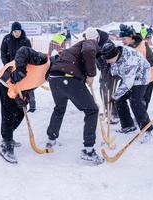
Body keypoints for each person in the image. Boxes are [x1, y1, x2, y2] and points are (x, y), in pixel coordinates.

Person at [45, 27, 104, 164]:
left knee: (59, 108)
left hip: (55, 78)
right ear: (96, 39)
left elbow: (76, 62)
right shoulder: (89, 43)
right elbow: (89, 52)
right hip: (68, 79)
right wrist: (91, 75)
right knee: (92, 110)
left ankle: (51, 140)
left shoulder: (74, 48)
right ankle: (88, 150)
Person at [0, 46, 50, 164]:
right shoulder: (42, 61)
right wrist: (20, 70)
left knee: (21, 111)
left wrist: (22, 98)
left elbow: (30, 84)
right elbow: (23, 50)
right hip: (7, 79)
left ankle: (7, 136)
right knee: (9, 113)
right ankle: (7, 145)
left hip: (19, 88)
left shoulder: (46, 76)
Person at [101, 43, 153, 143]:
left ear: (115, 55)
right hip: (128, 75)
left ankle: (147, 130)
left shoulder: (129, 61)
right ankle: (128, 125)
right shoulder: (115, 52)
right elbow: (115, 67)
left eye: (108, 59)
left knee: (135, 102)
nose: (107, 62)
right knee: (120, 99)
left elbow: (127, 84)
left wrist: (115, 96)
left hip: (141, 76)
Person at [0, 21, 35, 113]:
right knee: (13, 85)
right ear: (12, 31)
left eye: (19, 31)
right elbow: (3, 52)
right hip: (11, 65)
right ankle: (15, 104)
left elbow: (29, 53)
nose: (17, 33)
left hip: (23, 66)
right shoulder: (6, 39)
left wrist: (25, 65)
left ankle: (31, 104)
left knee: (27, 85)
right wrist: (6, 64)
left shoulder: (25, 40)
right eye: (15, 32)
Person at [119, 24, 153, 110]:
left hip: (148, 77)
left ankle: (142, 120)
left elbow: (152, 61)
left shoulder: (143, 45)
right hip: (133, 78)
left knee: (143, 99)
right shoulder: (125, 48)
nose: (122, 41)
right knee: (132, 99)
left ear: (131, 36)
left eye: (124, 39)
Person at [93, 27, 120, 124]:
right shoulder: (97, 42)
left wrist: (105, 74)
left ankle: (115, 114)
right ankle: (108, 110)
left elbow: (109, 62)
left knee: (110, 91)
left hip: (112, 71)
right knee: (102, 90)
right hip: (104, 70)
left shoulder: (107, 43)